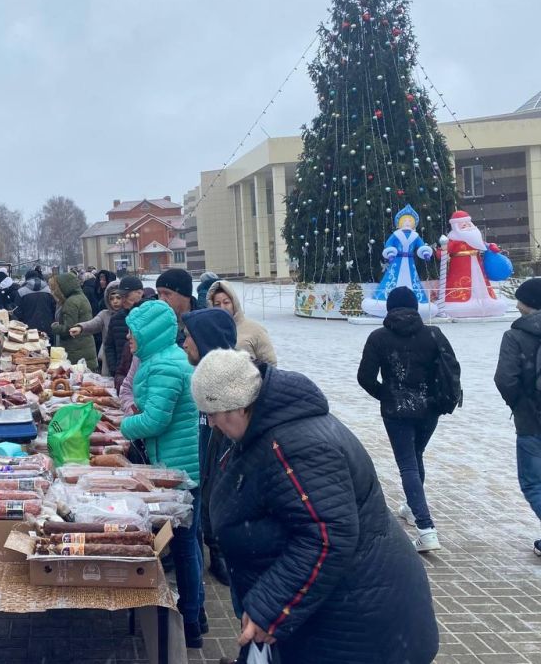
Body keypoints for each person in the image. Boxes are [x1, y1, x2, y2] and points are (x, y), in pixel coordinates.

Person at [191, 349, 438, 664]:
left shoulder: (297, 445)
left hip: (359, 617)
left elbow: (326, 537)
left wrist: (272, 608)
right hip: (333, 608)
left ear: (239, 404)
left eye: (214, 412)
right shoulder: (265, 430)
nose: (211, 423)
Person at [119, 300, 204, 647]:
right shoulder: (161, 359)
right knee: (188, 543)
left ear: (149, 333)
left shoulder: (166, 365)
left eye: (133, 331)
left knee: (184, 546)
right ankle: (197, 616)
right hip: (174, 463)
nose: (128, 337)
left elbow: (155, 421)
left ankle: (192, 623)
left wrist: (122, 427)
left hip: (179, 469)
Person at [357, 286, 455, 552]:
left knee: (408, 465)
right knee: (416, 455)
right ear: (415, 307)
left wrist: (387, 395)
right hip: (430, 409)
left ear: (389, 308)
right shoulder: (433, 334)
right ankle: (413, 508)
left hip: (397, 412)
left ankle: (426, 528)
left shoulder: (379, 337)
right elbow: (449, 370)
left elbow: (364, 377)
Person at [181, 308, 238, 587]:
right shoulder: (199, 377)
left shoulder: (231, 386)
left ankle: (220, 555)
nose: (184, 343)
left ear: (205, 340)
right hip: (199, 464)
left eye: (189, 337)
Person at [494, 277, 541, 557]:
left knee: (534, 482)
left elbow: (505, 379)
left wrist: (520, 405)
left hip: (531, 421)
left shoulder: (515, 336)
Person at [361, 205, 437, 318]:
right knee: (392, 278)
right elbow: (389, 244)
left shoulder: (415, 236)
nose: (407, 222)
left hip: (410, 262)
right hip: (397, 261)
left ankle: (415, 301)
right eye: (404, 220)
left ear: (413, 223)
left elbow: (421, 245)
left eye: (409, 221)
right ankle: (384, 299)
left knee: (412, 280)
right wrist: (390, 253)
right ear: (399, 222)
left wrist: (425, 252)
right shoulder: (396, 235)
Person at [440, 210, 507, 317]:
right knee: (463, 283)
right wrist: (442, 250)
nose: (465, 225)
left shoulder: (474, 237)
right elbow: (442, 252)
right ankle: (459, 302)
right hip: (460, 267)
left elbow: (483, 245)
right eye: (462, 224)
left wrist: (491, 246)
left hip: (477, 264)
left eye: (467, 223)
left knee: (479, 282)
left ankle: (485, 300)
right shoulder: (453, 238)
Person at [208, 280, 277, 365]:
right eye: (217, 304)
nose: (222, 307)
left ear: (234, 303)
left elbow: (270, 364)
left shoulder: (256, 330)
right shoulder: (210, 332)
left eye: (226, 302)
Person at [69, 282, 121, 376]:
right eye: (112, 299)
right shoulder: (105, 314)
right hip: (109, 358)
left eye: (118, 298)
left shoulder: (130, 315)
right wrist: (80, 327)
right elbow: (93, 323)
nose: (115, 301)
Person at [49, 273, 98, 371]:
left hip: (75, 351)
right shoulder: (81, 297)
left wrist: (55, 327)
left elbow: (69, 329)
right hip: (85, 347)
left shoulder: (71, 302)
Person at [105, 276, 144, 387]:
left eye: (126, 295)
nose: (123, 299)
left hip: (142, 377)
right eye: (121, 296)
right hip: (122, 375)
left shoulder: (150, 317)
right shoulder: (116, 318)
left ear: (140, 293)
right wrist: (115, 369)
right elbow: (109, 346)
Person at [156, 269, 199, 343]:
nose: (161, 299)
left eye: (167, 294)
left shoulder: (203, 321)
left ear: (184, 295)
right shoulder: (154, 321)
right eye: (159, 293)